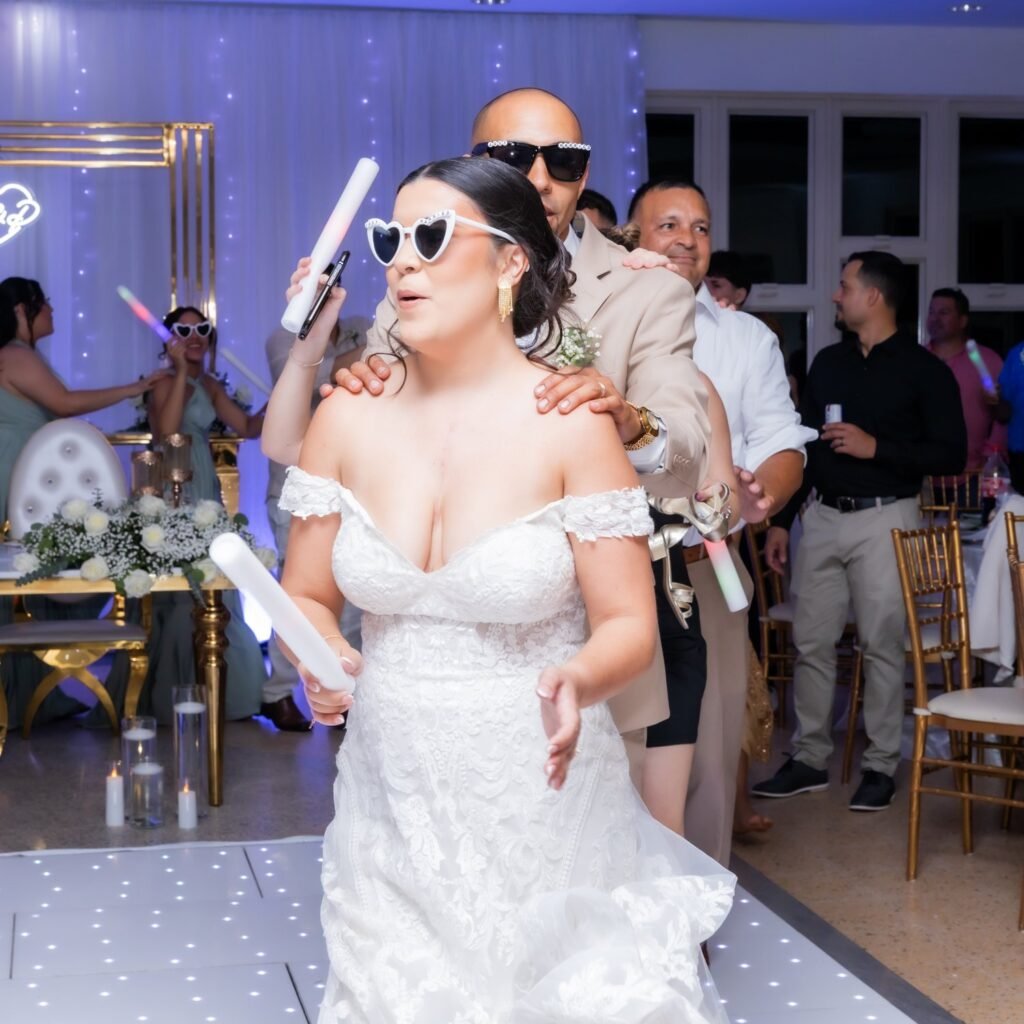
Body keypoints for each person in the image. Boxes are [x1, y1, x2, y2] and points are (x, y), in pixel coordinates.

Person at [278, 155, 733, 1023]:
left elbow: (628, 624)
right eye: (389, 240)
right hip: (389, 801)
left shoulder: (572, 423)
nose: (403, 262)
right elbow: (303, 592)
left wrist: (577, 679)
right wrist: (319, 652)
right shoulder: (346, 414)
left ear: (511, 261)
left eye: (432, 236)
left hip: (542, 798)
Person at [263, 87, 714, 786]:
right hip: (395, 754)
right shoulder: (408, 300)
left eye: (563, 161)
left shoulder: (641, 292)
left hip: (581, 684)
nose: (540, 179)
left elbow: (686, 454)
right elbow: (305, 453)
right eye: (512, 157)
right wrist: (314, 354)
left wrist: (628, 420)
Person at [628, 180, 813, 863]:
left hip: (705, 565)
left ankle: (695, 900)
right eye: (669, 224)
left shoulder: (743, 337)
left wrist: (763, 493)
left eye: (700, 228)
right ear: (632, 236)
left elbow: (783, 441)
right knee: (617, 746)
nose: (687, 239)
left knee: (709, 748)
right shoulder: (596, 318)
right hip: (609, 566)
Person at [756, 252, 966, 811]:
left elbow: (951, 453)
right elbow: (805, 448)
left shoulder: (925, 370)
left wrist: (878, 448)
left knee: (880, 645)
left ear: (873, 296)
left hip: (886, 517)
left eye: (844, 285)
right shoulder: (828, 363)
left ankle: (879, 765)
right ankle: (808, 758)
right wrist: (782, 522)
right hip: (822, 517)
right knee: (811, 643)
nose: (835, 295)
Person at [0, 276, 166, 728]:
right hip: (12, 473)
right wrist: (134, 388)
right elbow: (65, 403)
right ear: (21, 311)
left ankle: (28, 696)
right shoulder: (15, 354)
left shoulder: (20, 354)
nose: (52, 311)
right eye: (44, 304)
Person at [138, 306, 268, 724]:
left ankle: (226, 692)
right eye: (184, 329)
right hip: (173, 485)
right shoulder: (163, 382)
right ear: (169, 338)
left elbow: (246, 427)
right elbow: (167, 433)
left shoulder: (210, 384)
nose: (195, 336)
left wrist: (281, 398)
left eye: (203, 328)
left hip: (205, 486)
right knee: (181, 587)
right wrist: (179, 372)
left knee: (216, 581)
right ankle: (175, 694)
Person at [262, 316, 367, 730]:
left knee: (355, 592)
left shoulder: (361, 326)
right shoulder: (283, 337)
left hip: (356, 480)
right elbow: (317, 384)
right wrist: (368, 352)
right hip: (295, 485)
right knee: (293, 590)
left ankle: (350, 683)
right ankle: (279, 692)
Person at [924, 287, 1005, 472]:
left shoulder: (987, 361)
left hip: (972, 474)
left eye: (943, 312)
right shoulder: (916, 359)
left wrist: (990, 456)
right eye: (931, 312)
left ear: (962, 321)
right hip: (922, 476)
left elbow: (1003, 418)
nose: (935, 318)